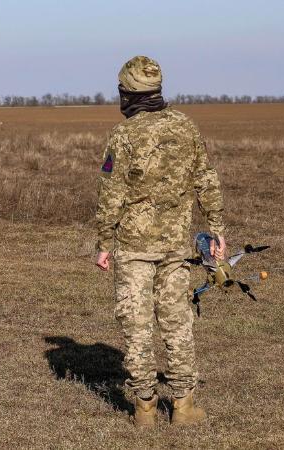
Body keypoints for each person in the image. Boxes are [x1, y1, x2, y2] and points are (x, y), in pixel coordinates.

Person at [94, 56, 226, 428]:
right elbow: (207, 179)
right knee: (177, 323)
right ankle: (183, 407)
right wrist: (216, 227)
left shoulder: (124, 135)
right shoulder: (186, 126)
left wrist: (104, 242)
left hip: (134, 248)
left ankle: (145, 409)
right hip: (175, 248)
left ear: (127, 93)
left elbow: (110, 195)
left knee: (137, 327)